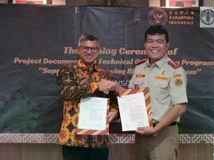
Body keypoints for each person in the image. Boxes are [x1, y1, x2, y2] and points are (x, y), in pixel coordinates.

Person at [108, 25, 188, 160]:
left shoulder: (175, 70)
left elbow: (180, 107)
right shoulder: (140, 68)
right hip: (140, 132)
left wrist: (156, 129)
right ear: (145, 44)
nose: (154, 45)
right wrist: (115, 88)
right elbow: (130, 97)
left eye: (159, 41)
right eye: (150, 41)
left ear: (167, 45)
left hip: (163, 134)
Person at [56, 33, 118, 160]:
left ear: (98, 51)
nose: (89, 52)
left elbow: (113, 101)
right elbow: (67, 93)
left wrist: (114, 111)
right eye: (85, 48)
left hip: (99, 140)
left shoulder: (106, 74)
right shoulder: (67, 71)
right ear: (79, 50)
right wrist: (96, 86)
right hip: (73, 139)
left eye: (93, 48)